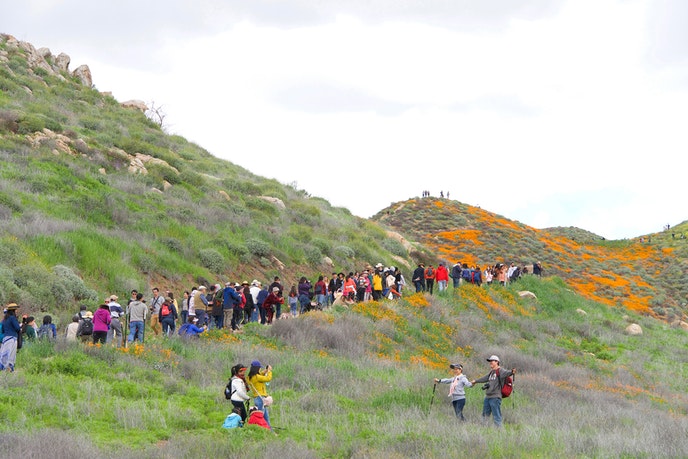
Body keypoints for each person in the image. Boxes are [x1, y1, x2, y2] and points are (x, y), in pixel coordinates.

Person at [471, 355, 517, 427]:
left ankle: (499, 431)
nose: (490, 362)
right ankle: (484, 429)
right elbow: (485, 378)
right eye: (490, 361)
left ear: (497, 362)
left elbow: (507, 373)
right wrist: (476, 381)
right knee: (485, 415)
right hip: (488, 397)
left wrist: (512, 372)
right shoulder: (491, 372)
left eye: (492, 361)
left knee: (496, 415)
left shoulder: (500, 371)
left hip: (495, 397)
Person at [246, 360, 273, 430]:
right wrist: (269, 371)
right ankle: (264, 430)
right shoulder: (257, 377)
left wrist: (265, 371)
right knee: (261, 418)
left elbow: (260, 374)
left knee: (265, 417)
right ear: (257, 368)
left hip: (257, 399)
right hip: (261, 399)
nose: (260, 369)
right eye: (259, 368)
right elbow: (268, 378)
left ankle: (270, 431)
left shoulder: (250, 377)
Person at [0, 304, 22, 372]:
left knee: (5, 353)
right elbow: (17, 328)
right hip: (12, 338)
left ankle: (3, 368)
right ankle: (8, 369)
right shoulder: (12, 318)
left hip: (5, 338)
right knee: (11, 355)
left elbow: (3, 329)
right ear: (13, 310)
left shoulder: (4, 319)